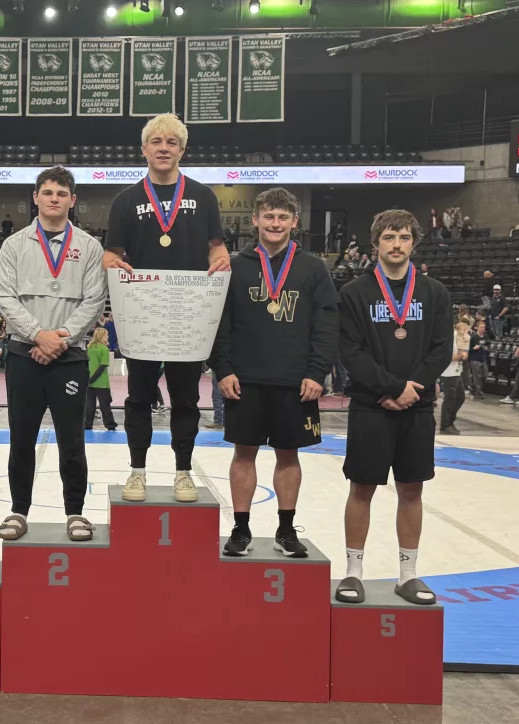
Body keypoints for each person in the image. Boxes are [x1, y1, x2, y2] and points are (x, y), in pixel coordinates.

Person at [102, 113, 230, 503]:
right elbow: (111, 255)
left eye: (171, 142)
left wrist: (221, 262)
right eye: (156, 142)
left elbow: (217, 249)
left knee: (186, 399)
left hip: (188, 315)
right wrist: (115, 267)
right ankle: (137, 470)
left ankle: (183, 472)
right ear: (144, 149)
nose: (163, 148)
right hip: (144, 314)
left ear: (182, 150)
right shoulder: (126, 200)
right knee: (138, 398)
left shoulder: (204, 197)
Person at [210, 188, 340, 557]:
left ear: (295, 222)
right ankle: (241, 529)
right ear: (255, 220)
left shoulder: (314, 268)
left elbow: (326, 325)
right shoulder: (236, 265)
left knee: (288, 456)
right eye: (269, 216)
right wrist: (223, 368)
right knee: (243, 455)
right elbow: (218, 322)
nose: (275, 223)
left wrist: (317, 371)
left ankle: (285, 529)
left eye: (283, 217)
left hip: (296, 382)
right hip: (244, 380)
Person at [335, 209, 452, 606]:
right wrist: (391, 388)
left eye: (403, 237)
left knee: (412, 489)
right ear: (375, 243)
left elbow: (441, 350)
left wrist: (409, 390)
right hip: (371, 405)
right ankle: (353, 572)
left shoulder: (435, 292)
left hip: (416, 407)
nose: (396, 244)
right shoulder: (354, 293)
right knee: (361, 488)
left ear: (414, 243)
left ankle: (408, 575)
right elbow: (351, 351)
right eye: (389, 237)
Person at [0, 166, 107, 542]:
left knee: (71, 439)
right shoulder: (14, 245)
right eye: (47, 192)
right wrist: (38, 336)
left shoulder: (89, 247)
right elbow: (5, 296)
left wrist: (60, 339)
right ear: (35, 198)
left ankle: (75, 512)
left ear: (73, 200)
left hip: (69, 357)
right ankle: (18, 511)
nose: (54, 198)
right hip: (23, 355)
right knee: (21, 437)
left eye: (61, 193)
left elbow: (95, 300)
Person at [439, 322, 469, 435]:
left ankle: (450, 421)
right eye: (464, 330)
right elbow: (450, 357)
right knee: (450, 398)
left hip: (456, 372)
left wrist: (464, 354)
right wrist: (462, 355)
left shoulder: (459, 339)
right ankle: (445, 425)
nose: (466, 332)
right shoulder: (449, 340)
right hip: (448, 373)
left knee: (460, 397)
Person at [84, 327, 117, 431]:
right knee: (105, 405)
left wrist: (89, 379)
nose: (107, 337)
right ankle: (110, 425)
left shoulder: (89, 347)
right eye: (106, 335)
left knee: (89, 405)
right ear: (102, 336)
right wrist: (94, 379)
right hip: (101, 382)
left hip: (89, 381)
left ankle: (87, 424)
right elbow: (103, 365)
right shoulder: (104, 349)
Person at [468, 320, 489, 400]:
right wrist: (474, 348)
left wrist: (486, 348)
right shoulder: (473, 337)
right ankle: (478, 392)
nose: (483, 329)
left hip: (483, 358)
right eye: (481, 327)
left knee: (484, 375)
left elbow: (487, 344)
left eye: (484, 327)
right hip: (474, 359)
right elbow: (468, 349)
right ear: (477, 327)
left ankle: (473, 388)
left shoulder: (485, 336)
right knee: (477, 376)